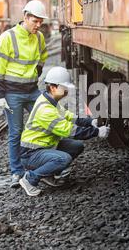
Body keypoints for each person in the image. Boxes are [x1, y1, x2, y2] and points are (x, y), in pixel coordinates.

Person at [18, 66, 111, 196]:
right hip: (31, 154)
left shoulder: (50, 101)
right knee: (63, 159)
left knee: (77, 146)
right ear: (52, 87)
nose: (67, 91)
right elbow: (70, 131)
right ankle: (30, 179)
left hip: (44, 147)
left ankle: (48, 173)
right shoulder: (46, 110)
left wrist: (90, 122)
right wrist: (97, 132)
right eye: (64, 88)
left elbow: (69, 116)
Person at [0, 0, 49, 188]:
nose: (38, 25)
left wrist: (35, 74)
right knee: (16, 133)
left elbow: (42, 56)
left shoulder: (39, 37)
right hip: (12, 93)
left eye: (41, 22)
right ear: (25, 17)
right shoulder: (8, 37)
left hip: (32, 90)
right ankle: (17, 172)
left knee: (46, 123)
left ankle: (42, 164)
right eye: (35, 21)